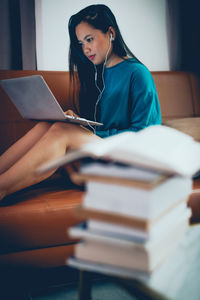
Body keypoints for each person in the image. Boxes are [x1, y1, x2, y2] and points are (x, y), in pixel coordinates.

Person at [0, 4, 161, 201]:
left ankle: (2, 188)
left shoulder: (138, 73)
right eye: (81, 43)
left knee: (61, 131)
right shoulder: (96, 73)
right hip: (101, 158)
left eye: (89, 39)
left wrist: (87, 132)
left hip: (132, 162)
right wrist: (79, 123)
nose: (85, 49)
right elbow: (104, 125)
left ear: (111, 33)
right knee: (49, 125)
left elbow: (145, 136)